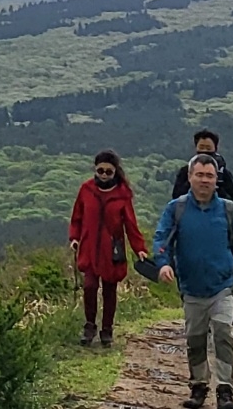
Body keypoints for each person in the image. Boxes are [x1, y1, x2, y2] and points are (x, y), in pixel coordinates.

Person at [154, 153, 233, 409]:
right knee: (196, 339)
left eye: (209, 176)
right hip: (191, 288)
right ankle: (198, 387)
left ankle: (225, 391)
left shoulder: (227, 209)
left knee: (224, 334)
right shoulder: (176, 208)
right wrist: (163, 263)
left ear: (216, 180)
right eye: (199, 174)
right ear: (190, 177)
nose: (204, 180)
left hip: (222, 287)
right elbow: (161, 240)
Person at [68, 149, 149, 348]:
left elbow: (130, 224)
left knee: (110, 290)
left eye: (108, 172)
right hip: (89, 246)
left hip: (112, 249)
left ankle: (107, 329)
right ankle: (89, 326)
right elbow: (77, 217)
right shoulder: (86, 189)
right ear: (95, 170)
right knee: (89, 287)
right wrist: (74, 238)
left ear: (115, 172)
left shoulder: (122, 194)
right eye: (100, 171)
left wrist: (139, 248)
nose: (104, 175)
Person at [170, 128, 233, 205]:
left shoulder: (223, 173)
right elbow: (176, 197)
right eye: (201, 147)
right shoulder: (185, 171)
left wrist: (218, 189)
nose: (205, 151)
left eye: (208, 148)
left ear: (215, 149)